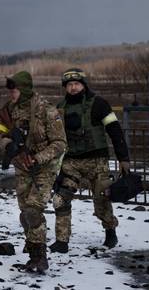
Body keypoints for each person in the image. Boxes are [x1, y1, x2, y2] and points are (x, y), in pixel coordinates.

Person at [50, 68, 130, 253]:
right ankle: (62, 241)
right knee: (60, 199)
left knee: (102, 200)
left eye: (77, 84)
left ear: (84, 85)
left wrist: (123, 158)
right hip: (71, 163)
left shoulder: (99, 104)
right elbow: (53, 136)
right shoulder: (59, 108)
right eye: (69, 85)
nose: (73, 88)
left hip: (97, 161)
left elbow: (115, 131)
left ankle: (110, 231)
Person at [0, 71, 67, 273]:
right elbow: (0, 133)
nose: (11, 94)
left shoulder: (46, 110)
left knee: (33, 211)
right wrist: (8, 144)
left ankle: (39, 257)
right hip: (22, 167)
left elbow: (60, 143)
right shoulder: (9, 110)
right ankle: (33, 250)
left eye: (14, 90)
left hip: (45, 167)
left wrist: (39, 158)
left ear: (25, 90)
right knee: (24, 214)